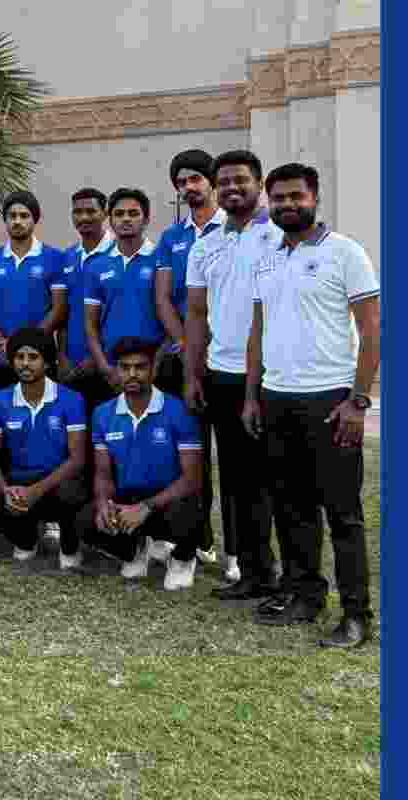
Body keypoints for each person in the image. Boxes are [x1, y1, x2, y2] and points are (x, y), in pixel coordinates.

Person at [243, 163, 379, 649]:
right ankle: (305, 596)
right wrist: (251, 397)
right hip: (277, 401)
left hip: (330, 401)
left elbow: (372, 331)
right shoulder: (265, 261)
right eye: (277, 198)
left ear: (315, 197)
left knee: (342, 514)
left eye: (295, 196)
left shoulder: (345, 253)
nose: (286, 205)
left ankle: (357, 615)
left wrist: (358, 401)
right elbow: (256, 334)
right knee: (292, 508)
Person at [185, 149, 280, 593]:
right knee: (238, 480)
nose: (231, 188)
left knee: (279, 480)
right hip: (223, 374)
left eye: (240, 180)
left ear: (259, 184)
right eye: (223, 182)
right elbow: (197, 314)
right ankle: (251, 570)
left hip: (277, 376)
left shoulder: (283, 236)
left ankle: (292, 576)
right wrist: (193, 374)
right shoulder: (205, 244)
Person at [73, 337, 204, 590]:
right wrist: (103, 504)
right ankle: (134, 550)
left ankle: (183, 558)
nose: (132, 374)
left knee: (189, 510)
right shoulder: (103, 414)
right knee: (86, 520)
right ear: (116, 370)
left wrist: (146, 507)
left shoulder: (179, 411)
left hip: (168, 500)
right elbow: (103, 474)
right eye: (125, 367)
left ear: (153, 368)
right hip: (128, 498)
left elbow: (192, 479)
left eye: (140, 367)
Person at [155, 150, 225, 564]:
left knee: (233, 461)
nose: (189, 188)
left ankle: (237, 550)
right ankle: (197, 537)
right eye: (181, 182)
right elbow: (164, 299)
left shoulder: (234, 230)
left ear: (211, 181)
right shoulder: (172, 238)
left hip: (231, 360)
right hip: (184, 358)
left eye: (196, 179)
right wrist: (188, 345)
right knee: (188, 453)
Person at [0, 328, 89, 568]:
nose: (25, 364)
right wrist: (5, 489)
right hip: (19, 480)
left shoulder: (71, 399)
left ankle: (70, 547)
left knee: (71, 493)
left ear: (47, 363)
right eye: (19, 357)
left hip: (59, 480)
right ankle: (26, 540)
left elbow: (77, 459)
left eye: (33, 357)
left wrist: (36, 491)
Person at [0, 191, 66, 401]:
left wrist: (26, 343)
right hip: (0, 357)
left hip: (40, 357)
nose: (17, 221)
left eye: (24, 216)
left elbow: (59, 308)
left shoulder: (55, 258)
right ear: (5, 220)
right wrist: (4, 343)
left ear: (35, 219)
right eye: (12, 216)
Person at [83, 188, 165, 398]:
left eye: (133, 213)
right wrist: (104, 367)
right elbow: (90, 326)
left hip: (156, 368)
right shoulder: (96, 265)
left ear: (146, 219)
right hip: (113, 369)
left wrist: (156, 364)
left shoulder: (161, 260)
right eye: (119, 214)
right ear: (109, 220)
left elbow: (173, 318)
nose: (126, 219)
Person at [58, 188, 116, 409]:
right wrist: (62, 356)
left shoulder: (118, 252)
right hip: (71, 367)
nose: (83, 217)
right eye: (77, 212)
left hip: (108, 365)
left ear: (105, 213)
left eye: (90, 211)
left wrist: (97, 359)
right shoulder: (68, 256)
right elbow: (64, 313)